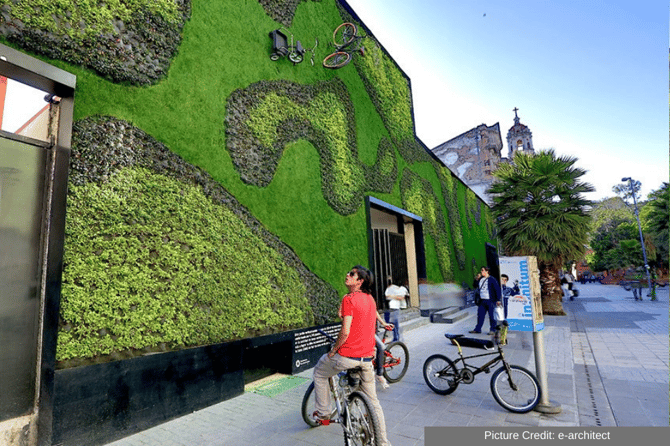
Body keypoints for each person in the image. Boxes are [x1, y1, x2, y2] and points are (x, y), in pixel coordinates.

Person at [312, 265, 391, 446]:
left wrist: (334, 350)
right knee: (373, 402)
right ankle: (383, 442)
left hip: (347, 356)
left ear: (360, 281)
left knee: (320, 372)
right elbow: (360, 320)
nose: (347, 275)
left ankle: (323, 413)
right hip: (366, 359)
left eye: (352, 274)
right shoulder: (369, 299)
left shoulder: (349, 299)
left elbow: (345, 331)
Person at [470, 266, 502, 335]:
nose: (481, 272)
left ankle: (492, 329)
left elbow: (497, 289)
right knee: (480, 315)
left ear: (487, 271)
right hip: (482, 301)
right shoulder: (481, 279)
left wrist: (498, 300)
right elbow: (475, 285)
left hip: (490, 300)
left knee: (492, 316)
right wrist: (476, 279)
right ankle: (477, 329)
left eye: (482, 270)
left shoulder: (492, 279)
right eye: (481, 270)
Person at [384, 278, 408, 342]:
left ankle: (397, 338)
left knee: (394, 323)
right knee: (393, 323)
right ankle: (397, 338)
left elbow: (401, 297)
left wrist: (392, 296)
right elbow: (387, 296)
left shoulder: (399, 288)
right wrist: (395, 296)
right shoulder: (390, 288)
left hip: (395, 308)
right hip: (391, 308)